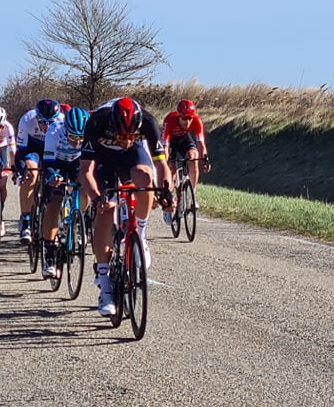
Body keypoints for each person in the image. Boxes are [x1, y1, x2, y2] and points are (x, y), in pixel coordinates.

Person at [79, 97, 172, 316]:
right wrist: (97, 198)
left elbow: (161, 165)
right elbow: (85, 171)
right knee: (107, 209)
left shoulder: (148, 122)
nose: (126, 140)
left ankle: (140, 234)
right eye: (122, 136)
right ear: (112, 125)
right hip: (103, 158)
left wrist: (166, 192)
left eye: (131, 135)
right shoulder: (96, 122)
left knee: (145, 179)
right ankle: (105, 287)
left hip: (132, 156)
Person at [39, 106, 89, 279]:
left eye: (81, 137)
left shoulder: (90, 133)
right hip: (57, 163)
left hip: (77, 162)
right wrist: (52, 176)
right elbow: (48, 162)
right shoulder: (54, 131)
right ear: (65, 130)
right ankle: (49, 253)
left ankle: (79, 219)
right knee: (55, 200)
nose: (77, 142)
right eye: (73, 137)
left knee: (86, 186)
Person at [14, 98, 64, 244]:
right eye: (42, 122)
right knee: (31, 175)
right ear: (36, 118)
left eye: (51, 122)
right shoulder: (27, 120)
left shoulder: (62, 122)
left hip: (53, 148)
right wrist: (22, 172)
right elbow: (20, 152)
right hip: (33, 148)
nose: (46, 126)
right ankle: (26, 220)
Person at [160, 98, 211, 223]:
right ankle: (168, 202)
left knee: (193, 157)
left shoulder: (197, 121)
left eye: (190, 119)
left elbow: (200, 143)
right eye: (184, 119)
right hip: (170, 141)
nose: (187, 122)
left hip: (184, 139)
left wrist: (205, 159)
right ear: (178, 116)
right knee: (170, 170)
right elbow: (165, 146)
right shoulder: (170, 120)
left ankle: (191, 196)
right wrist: (166, 161)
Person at [0, 105, 16, 237]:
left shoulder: (8, 128)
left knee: (1, 184)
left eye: (0, 126)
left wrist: (14, 168)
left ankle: (0, 214)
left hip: (3, 148)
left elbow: (12, 151)